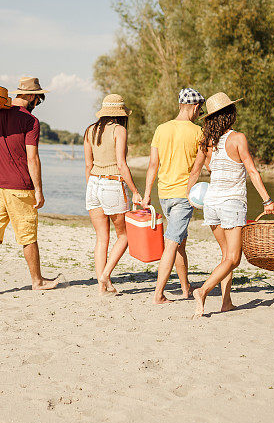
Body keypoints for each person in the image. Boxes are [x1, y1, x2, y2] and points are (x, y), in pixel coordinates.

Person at [187, 92, 274, 317]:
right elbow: (252, 171)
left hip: (211, 203)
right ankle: (203, 291)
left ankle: (226, 301)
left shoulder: (207, 142)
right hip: (231, 203)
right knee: (234, 258)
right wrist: (267, 200)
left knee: (226, 255)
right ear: (229, 115)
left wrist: (189, 194)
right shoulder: (238, 138)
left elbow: (197, 169)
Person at [0, 76, 61, 296]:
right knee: (28, 236)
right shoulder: (30, 121)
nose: (38, 104)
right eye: (38, 99)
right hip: (20, 187)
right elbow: (32, 159)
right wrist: (40, 191)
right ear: (32, 96)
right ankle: (37, 281)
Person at [142, 88, 205, 304]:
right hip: (183, 196)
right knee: (171, 243)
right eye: (200, 109)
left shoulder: (161, 129)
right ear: (195, 108)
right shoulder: (198, 132)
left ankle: (185, 287)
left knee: (180, 242)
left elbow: (153, 165)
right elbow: (201, 167)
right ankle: (158, 294)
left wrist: (146, 194)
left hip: (165, 194)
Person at [83, 94, 143, 294]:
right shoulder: (119, 130)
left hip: (93, 184)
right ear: (120, 114)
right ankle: (105, 274)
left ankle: (103, 286)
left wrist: (91, 187)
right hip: (112, 184)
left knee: (102, 238)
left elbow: (88, 165)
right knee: (124, 236)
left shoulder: (90, 130)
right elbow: (121, 164)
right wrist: (134, 191)